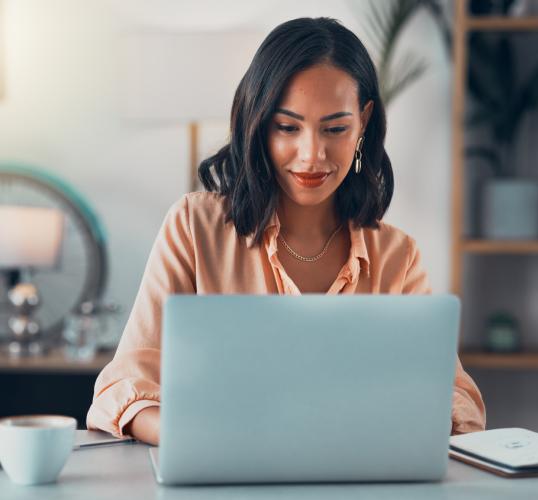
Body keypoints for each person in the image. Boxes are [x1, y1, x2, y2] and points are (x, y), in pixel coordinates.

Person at [87, 17, 485, 446]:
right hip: (223, 472)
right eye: (287, 127)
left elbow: (454, 396)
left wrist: (407, 421)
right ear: (258, 124)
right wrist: (197, 438)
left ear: (364, 122)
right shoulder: (193, 228)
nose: (312, 154)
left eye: (335, 128)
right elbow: (122, 388)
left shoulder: (396, 256)